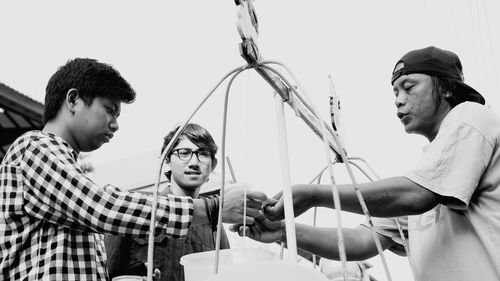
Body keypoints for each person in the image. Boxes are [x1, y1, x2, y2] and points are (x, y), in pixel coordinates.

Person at [233, 46, 500, 281]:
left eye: (409, 87)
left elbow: (416, 195)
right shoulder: (433, 172)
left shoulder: (471, 117)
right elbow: (359, 241)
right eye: (395, 91)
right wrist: (281, 230)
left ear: (447, 88)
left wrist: (313, 195)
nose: (398, 99)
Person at [0, 58, 267, 280]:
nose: (115, 124)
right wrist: (213, 209)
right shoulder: (33, 148)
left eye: (203, 154)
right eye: (109, 110)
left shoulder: (67, 171)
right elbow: (103, 207)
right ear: (73, 100)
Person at [105, 123, 231, 281]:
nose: (193, 161)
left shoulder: (216, 228)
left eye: (203, 153)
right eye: (184, 153)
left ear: (213, 164)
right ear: (166, 159)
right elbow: (105, 272)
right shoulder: (137, 209)